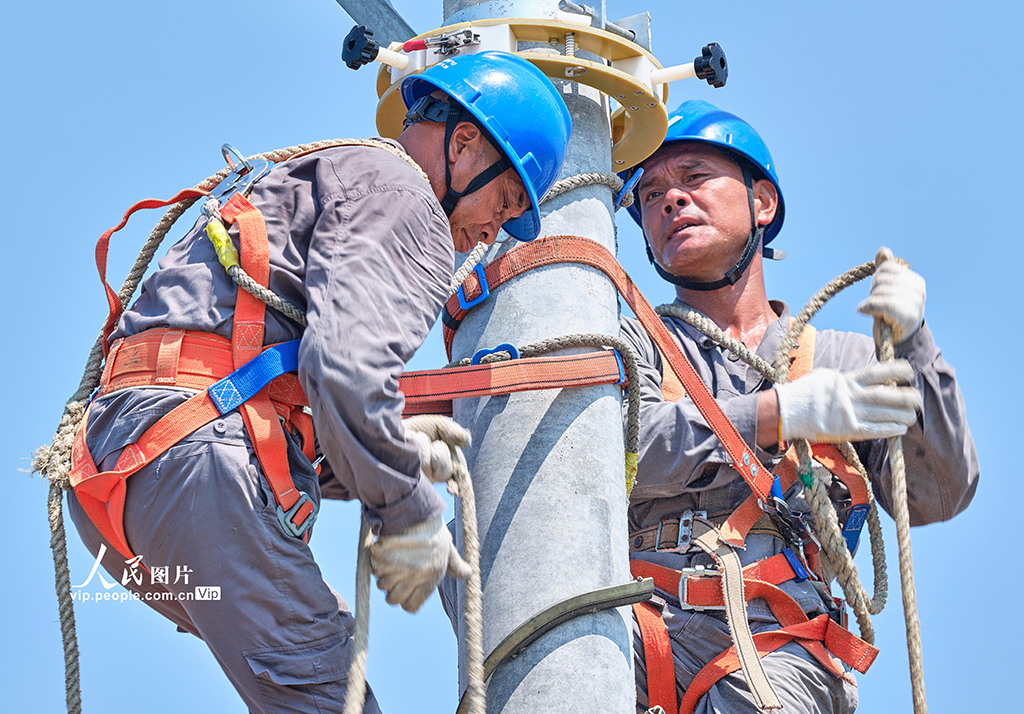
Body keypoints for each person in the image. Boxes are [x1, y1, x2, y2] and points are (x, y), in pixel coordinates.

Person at [65, 51, 571, 714]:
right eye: (504, 203)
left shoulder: (325, 174)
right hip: (195, 463)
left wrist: (388, 449)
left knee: (313, 674)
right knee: (332, 696)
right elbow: (343, 370)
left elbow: (299, 377)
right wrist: (409, 509)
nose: (490, 232)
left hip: (119, 482)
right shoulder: (406, 199)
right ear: (464, 144)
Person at [619, 100, 978, 713]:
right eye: (650, 195)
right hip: (637, 619)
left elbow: (937, 492)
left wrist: (916, 345)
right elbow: (611, 456)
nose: (671, 200)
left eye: (695, 177)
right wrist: (779, 413)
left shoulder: (839, 363)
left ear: (762, 202)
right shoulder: (633, 341)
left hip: (776, 635)